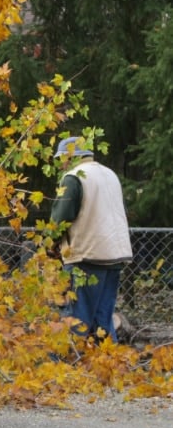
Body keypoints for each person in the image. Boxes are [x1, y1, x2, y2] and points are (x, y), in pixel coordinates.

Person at [50, 136, 133, 342]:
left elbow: (60, 219)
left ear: (70, 156)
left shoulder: (74, 177)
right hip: (115, 255)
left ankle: (71, 368)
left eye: (61, 158)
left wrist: (49, 244)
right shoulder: (109, 174)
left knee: (77, 319)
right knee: (103, 322)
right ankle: (109, 369)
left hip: (86, 256)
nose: (60, 164)